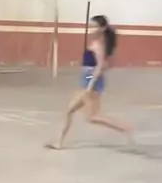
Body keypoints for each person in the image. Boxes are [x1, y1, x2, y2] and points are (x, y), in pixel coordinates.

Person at [47, 15, 132, 150]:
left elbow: (101, 66)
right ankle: (58, 142)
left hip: (91, 82)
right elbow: (105, 65)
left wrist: (90, 84)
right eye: (90, 26)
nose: (91, 29)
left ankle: (124, 128)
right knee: (71, 111)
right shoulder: (98, 43)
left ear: (102, 28)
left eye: (94, 26)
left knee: (91, 117)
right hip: (88, 79)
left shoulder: (99, 45)